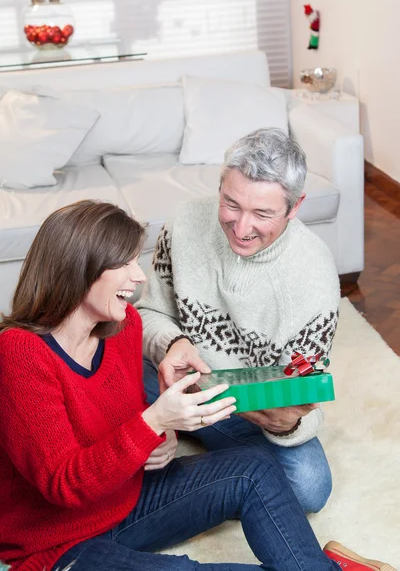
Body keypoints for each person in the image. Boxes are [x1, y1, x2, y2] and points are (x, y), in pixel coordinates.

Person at [0, 200, 393, 571]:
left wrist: (163, 436)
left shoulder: (124, 327)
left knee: (254, 467)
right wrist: (152, 422)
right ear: (78, 267)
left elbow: (128, 418)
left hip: (128, 500)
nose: (138, 276)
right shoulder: (19, 353)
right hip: (58, 544)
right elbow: (63, 485)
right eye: (123, 263)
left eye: (136, 260)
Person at [137, 127, 341, 514]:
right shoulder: (183, 223)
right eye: (231, 204)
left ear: (295, 207)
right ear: (219, 187)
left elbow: (303, 390)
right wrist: (172, 343)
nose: (242, 227)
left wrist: (287, 426)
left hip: (244, 411)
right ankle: (215, 454)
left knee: (311, 487)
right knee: (106, 354)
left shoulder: (314, 278)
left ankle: (206, 462)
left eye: (262, 214)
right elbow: (148, 313)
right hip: (174, 380)